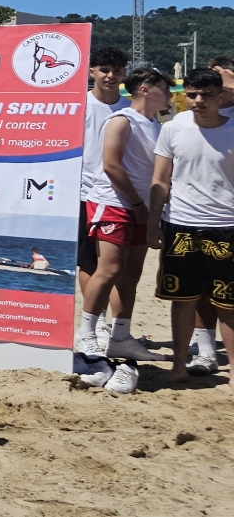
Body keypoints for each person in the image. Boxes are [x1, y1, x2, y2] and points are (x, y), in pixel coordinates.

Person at [83, 67, 170, 377]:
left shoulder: (155, 124)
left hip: (141, 206)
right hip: (115, 203)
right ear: (144, 89)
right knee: (108, 270)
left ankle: (120, 337)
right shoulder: (122, 120)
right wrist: (135, 203)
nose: (169, 94)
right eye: (164, 88)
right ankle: (86, 334)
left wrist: (149, 209)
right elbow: (111, 165)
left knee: (131, 274)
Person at [149, 68, 234, 382]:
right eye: (192, 94)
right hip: (180, 225)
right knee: (182, 300)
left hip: (226, 225)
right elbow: (160, 180)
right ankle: (179, 367)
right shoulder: (173, 127)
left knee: (228, 304)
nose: (198, 100)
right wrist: (153, 224)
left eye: (206, 95)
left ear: (220, 96)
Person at [81, 47, 132, 322]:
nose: (111, 76)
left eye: (117, 71)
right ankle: (97, 323)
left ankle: (117, 327)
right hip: (84, 193)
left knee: (116, 268)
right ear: (92, 72)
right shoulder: (79, 105)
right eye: (104, 70)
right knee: (89, 263)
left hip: (118, 196)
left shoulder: (129, 108)